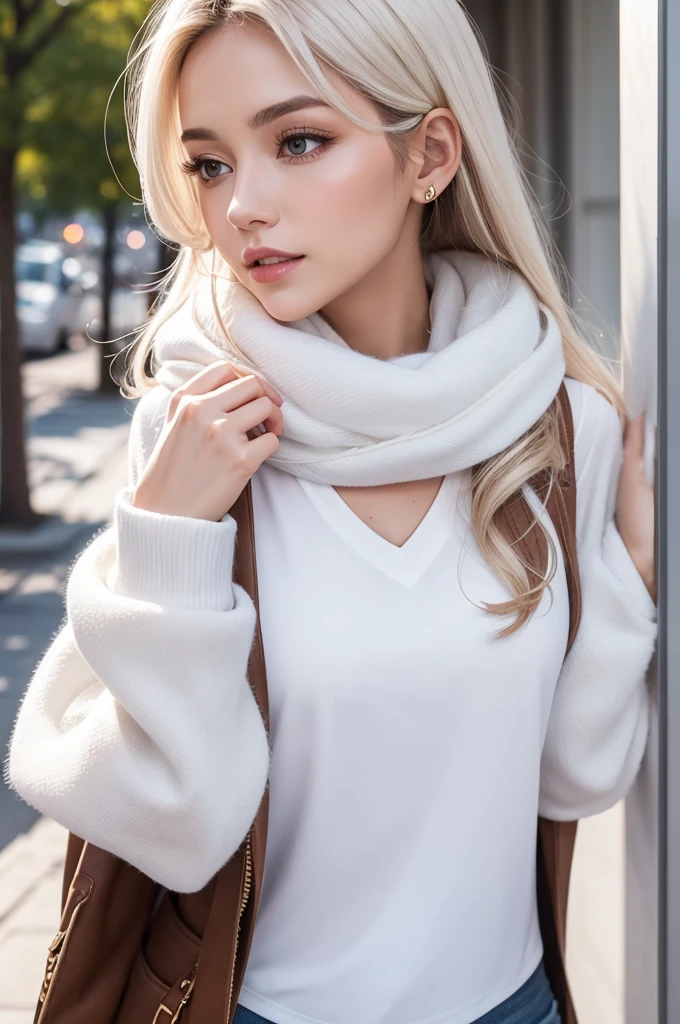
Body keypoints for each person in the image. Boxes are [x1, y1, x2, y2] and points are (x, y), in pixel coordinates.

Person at [6, 1, 658, 1023]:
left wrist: (629, 578)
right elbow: (173, 832)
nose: (242, 208)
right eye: (210, 164)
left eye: (297, 141)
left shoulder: (555, 428)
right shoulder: (198, 439)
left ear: (429, 155)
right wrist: (169, 546)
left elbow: (578, 775)